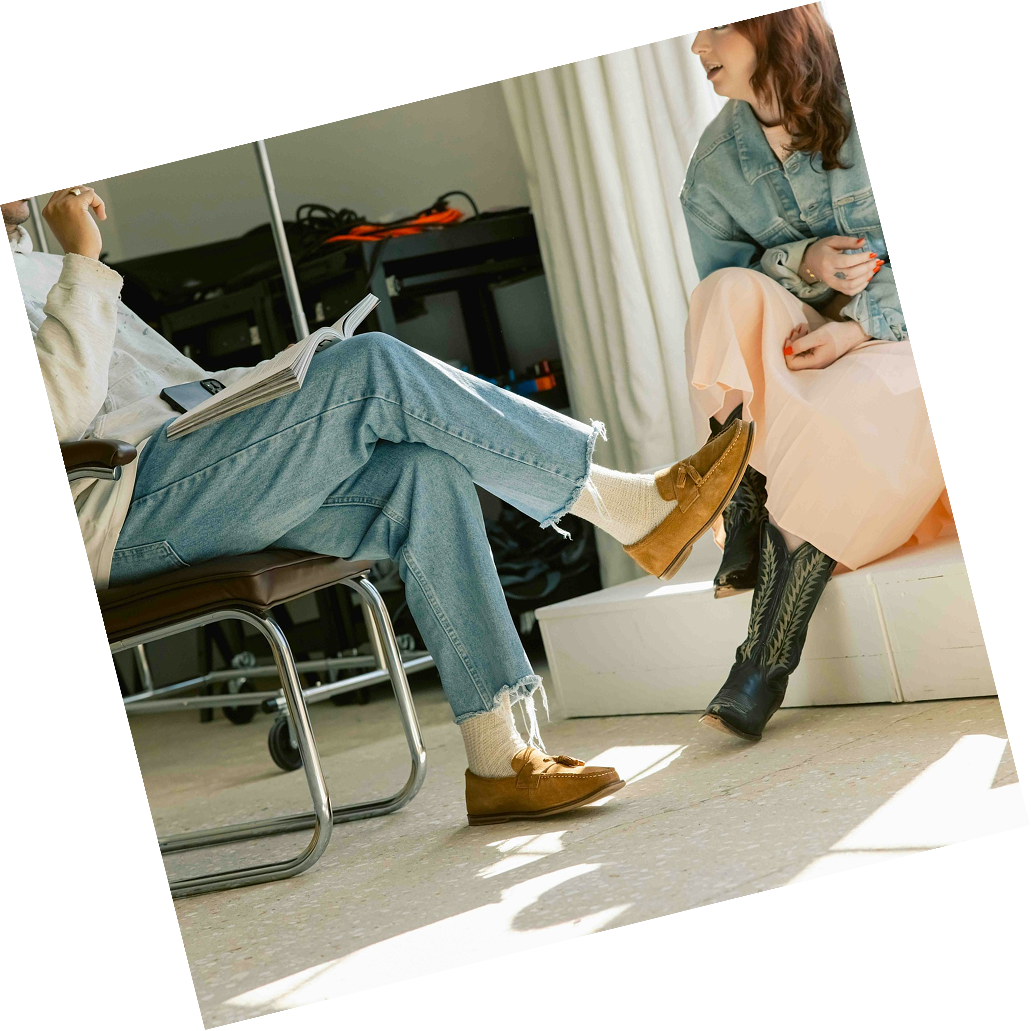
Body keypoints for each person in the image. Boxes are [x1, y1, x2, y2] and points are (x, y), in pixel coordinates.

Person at [4, 190, 752, 825]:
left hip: (175, 466)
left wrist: (261, 387)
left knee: (421, 473)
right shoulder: (55, 265)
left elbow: (157, 385)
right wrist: (84, 261)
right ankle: (629, 507)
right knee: (375, 368)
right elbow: (50, 422)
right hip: (113, 513)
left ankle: (501, 758)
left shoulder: (29, 265)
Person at [681, 8, 952, 742]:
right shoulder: (713, 165)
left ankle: (761, 663)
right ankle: (743, 488)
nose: (697, 46)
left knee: (847, 413)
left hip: (906, 344)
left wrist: (858, 325)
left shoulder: (885, 103)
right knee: (722, 295)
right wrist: (798, 262)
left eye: (713, 26)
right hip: (798, 356)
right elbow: (721, 289)